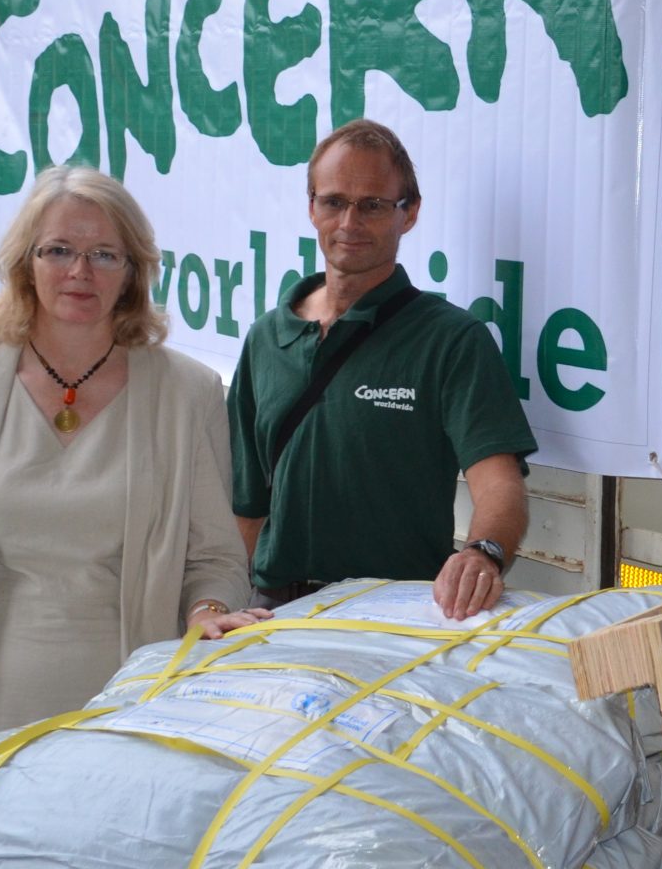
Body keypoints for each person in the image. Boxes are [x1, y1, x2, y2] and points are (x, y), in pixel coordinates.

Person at [0, 166, 260, 773]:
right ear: (24, 263)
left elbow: (215, 559)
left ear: (133, 272)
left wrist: (209, 615)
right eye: (58, 249)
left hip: (133, 722)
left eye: (104, 254)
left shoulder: (188, 392)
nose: (79, 271)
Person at [227, 118, 535, 620]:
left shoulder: (451, 340)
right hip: (274, 615)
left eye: (372, 204)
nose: (349, 223)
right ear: (311, 208)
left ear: (408, 213)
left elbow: (500, 484)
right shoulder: (267, 338)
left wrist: (484, 553)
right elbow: (246, 503)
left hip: (397, 618)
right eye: (333, 202)